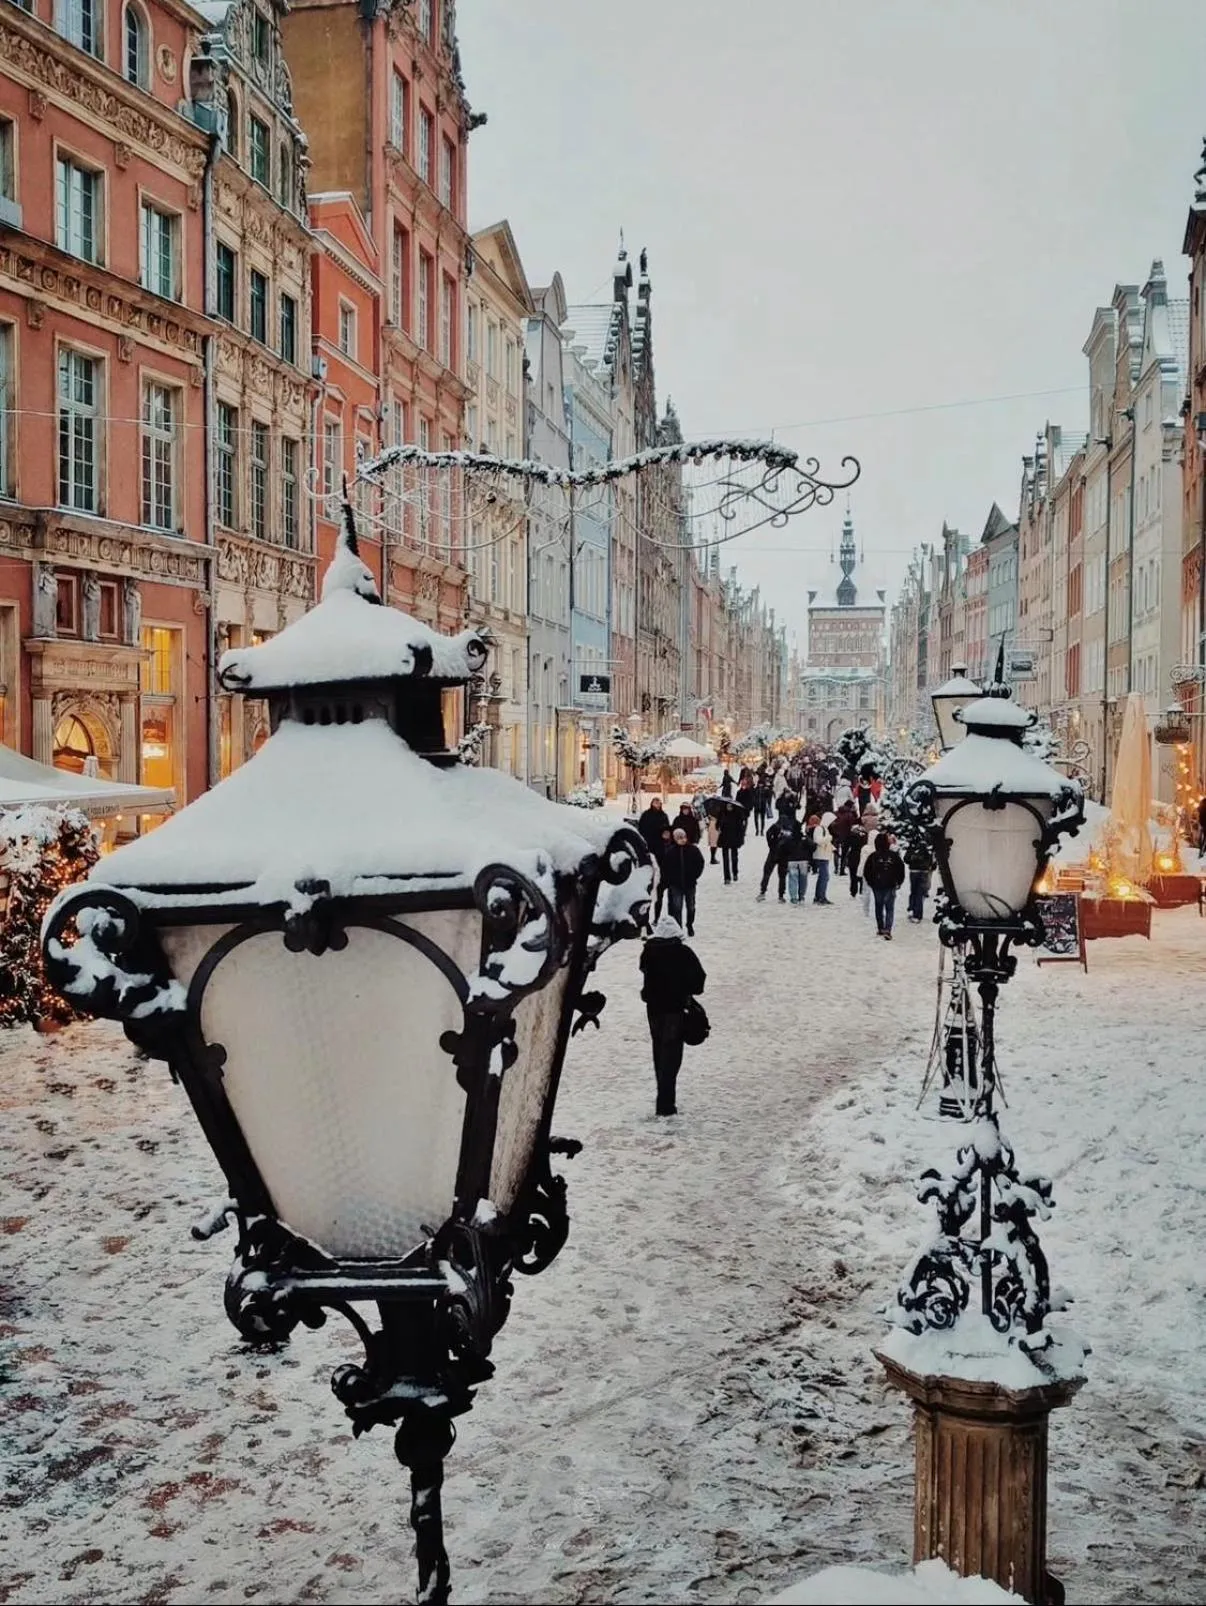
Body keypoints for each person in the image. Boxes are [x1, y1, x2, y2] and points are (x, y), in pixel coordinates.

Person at [639, 914, 706, 1117]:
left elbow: (644, 972)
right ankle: (666, 1104)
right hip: (675, 1010)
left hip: (654, 1009)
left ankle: (663, 1096)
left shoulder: (649, 952)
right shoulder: (683, 953)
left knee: (659, 1051)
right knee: (672, 1054)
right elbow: (699, 982)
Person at [660, 826, 704, 936]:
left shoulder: (693, 850)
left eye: (683, 837)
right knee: (677, 907)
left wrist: (694, 876)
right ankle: (678, 928)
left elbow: (700, 863)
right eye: (679, 837)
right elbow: (665, 868)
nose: (682, 839)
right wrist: (670, 880)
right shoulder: (670, 852)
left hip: (690, 884)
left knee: (691, 907)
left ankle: (689, 924)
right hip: (676, 885)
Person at [863, 830, 906, 939]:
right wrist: (899, 881)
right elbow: (901, 869)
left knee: (879, 906)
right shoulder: (894, 856)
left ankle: (880, 928)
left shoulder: (873, 856)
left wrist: (870, 882)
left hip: (876, 885)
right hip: (891, 884)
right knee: (889, 908)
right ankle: (888, 929)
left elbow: (867, 871)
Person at [756, 817, 787, 902]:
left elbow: (768, 833)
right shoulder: (790, 827)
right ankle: (781, 895)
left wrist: (771, 844)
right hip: (784, 854)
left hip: (774, 852)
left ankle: (762, 892)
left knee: (767, 872)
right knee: (782, 876)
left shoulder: (776, 826)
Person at [782, 818, 812, 904]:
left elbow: (783, 848)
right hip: (803, 861)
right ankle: (801, 896)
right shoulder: (804, 838)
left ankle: (793, 897)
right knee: (803, 879)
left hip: (792, 861)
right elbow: (812, 846)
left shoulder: (788, 839)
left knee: (793, 879)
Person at [905, 837, 935, 923]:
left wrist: (913, 860)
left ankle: (913, 910)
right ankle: (918, 913)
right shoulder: (926, 848)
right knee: (920, 893)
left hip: (914, 871)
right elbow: (931, 862)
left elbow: (906, 859)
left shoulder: (912, 847)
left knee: (914, 891)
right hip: (924, 872)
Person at [718, 800, 746, 884]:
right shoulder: (722, 814)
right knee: (725, 859)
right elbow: (717, 825)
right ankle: (727, 877)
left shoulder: (737, 815)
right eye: (727, 806)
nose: (729, 807)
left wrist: (740, 839)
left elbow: (741, 829)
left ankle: (735, 873)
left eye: (730, 806)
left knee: (734, 858)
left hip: (734, 839)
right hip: (724, 839)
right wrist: (719, 827)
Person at [810, 811, 835, 904]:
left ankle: (819, 896)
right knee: (824, 877)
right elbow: (818, 841)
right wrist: (829, 838)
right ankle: (821, 897)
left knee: (823, 877)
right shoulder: (819, 829)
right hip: (821, 856)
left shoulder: (825, 829)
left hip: (824, 855)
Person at [830, 799, 857, 874]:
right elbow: (853, 825)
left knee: (836, 852)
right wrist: (855, 813)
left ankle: (836, 868)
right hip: (846, 836)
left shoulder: (836, 813)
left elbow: (831, 823)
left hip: (835, 835)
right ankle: (842, 869)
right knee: (844, 854)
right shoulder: (850, 815)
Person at [847, 815, 869, 898]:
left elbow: (847, 845)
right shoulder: (865, 834)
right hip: (862, 855)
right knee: (862, 873)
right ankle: (861, 890)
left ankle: (853, 891)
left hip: (853, 855)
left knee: (853, 875)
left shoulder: (851, 833)